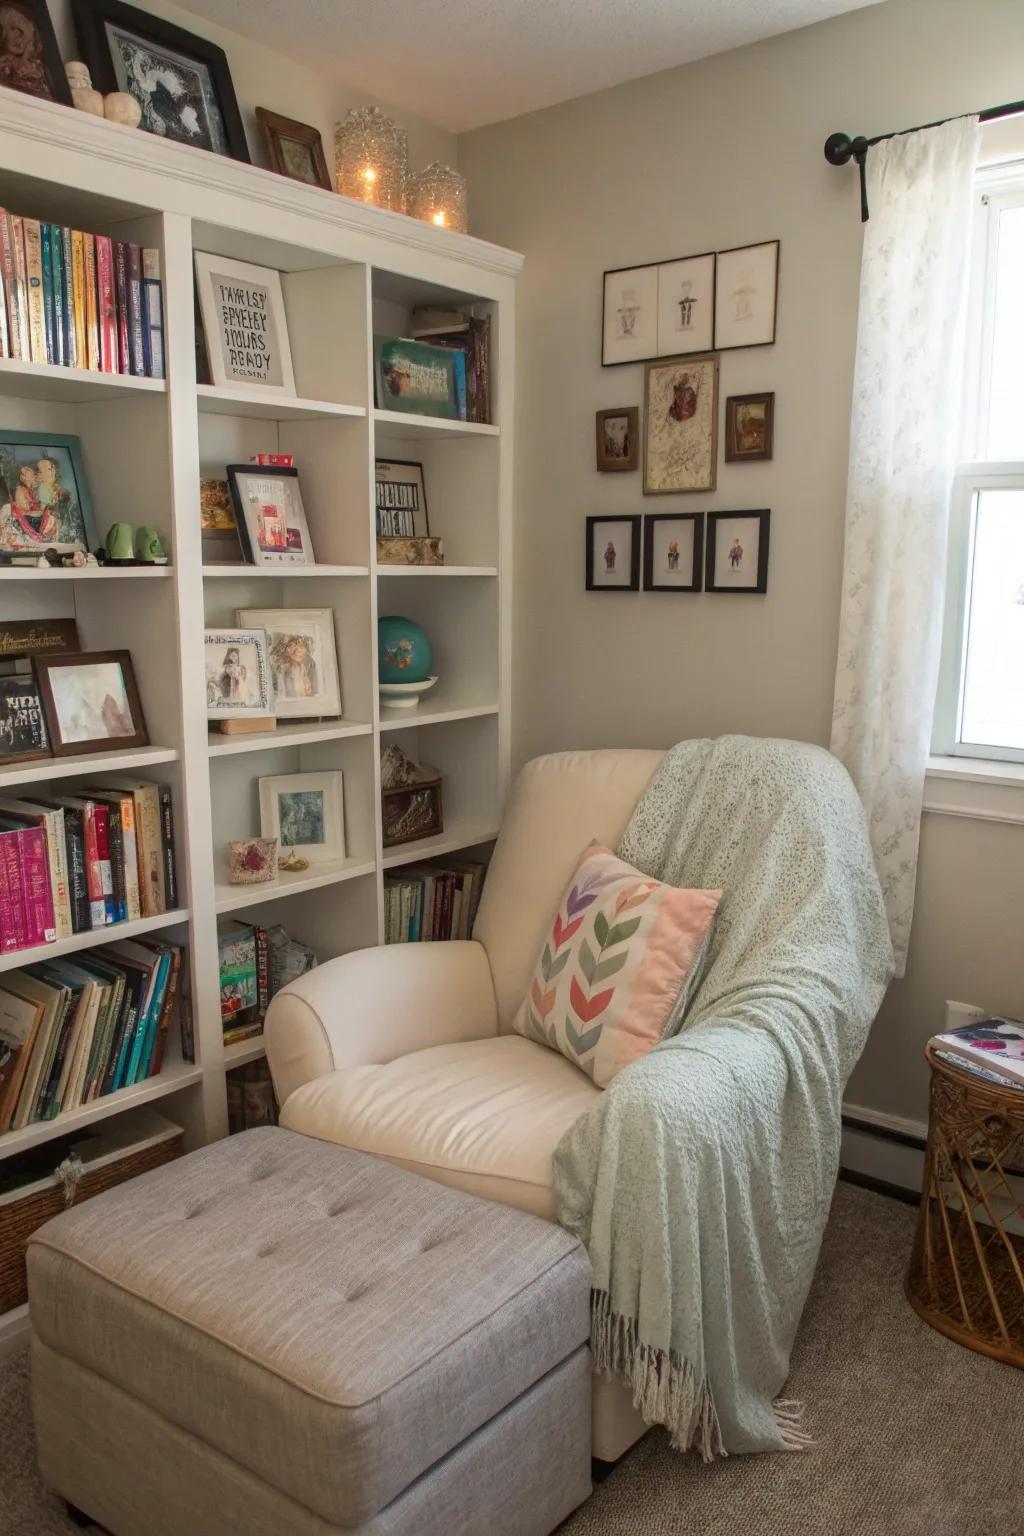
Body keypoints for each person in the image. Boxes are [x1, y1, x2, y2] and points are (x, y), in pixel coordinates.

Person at [0, 5, 51, 99]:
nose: (18, 37)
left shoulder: (38, 66)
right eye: (14, 30)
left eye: (25, 34)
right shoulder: (5, 63)